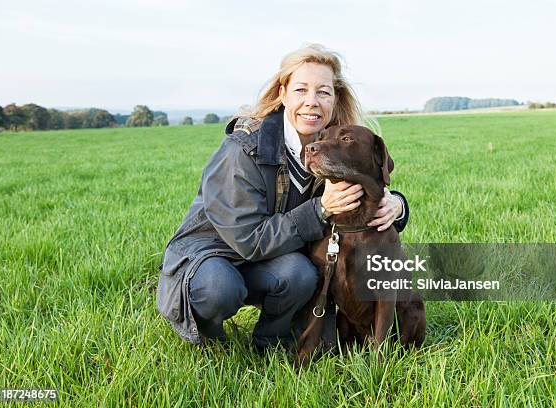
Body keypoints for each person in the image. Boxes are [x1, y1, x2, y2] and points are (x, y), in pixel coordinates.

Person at [156, 44, 410, 351]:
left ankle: (271, 342)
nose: (311, 102)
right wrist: (320, 210)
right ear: (283, 93)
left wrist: (396, 204)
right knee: (219, 288)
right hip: (210, 256)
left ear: (335, 98)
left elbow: (368, 179)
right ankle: (212, 344)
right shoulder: (243, 148)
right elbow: (248, 240)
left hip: (268, 257)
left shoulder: (331, 147)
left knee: (299, 273)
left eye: (323, 92)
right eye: (301, 89)